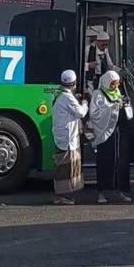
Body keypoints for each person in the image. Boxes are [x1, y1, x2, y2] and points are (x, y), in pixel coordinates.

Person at [89, 70, 134, 204]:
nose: (115, 87)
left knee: (121, 162)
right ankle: (101, 193)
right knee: (104, 162)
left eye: (117, 84)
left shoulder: (118, 93)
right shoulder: (98, 94)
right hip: (105, 136)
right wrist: (112, 108)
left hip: (119, 134)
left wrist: (125, 105)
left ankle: (120, 191)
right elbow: (95, 114)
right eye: (113, 84)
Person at [52, 69, 89, 205]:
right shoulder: (67, 97)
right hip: (67, 138)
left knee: (65, 165)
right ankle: (61, 196)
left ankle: (65, 195)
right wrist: (84, 103)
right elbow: (80, 113)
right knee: (64, 167)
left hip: (62, 135)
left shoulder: (60, 94)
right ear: (73, 83)